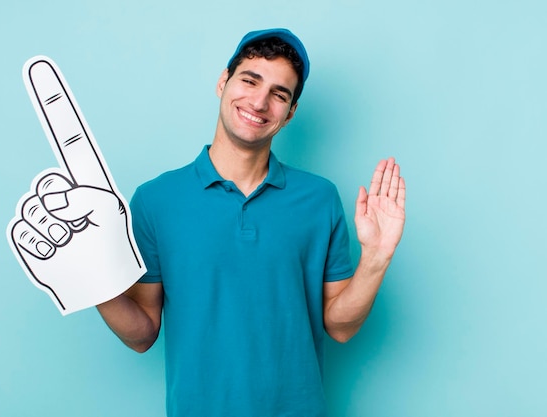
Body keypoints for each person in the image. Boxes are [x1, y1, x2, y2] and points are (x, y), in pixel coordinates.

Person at [96, 28, 406, 417]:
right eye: (250, 80)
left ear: (290, 113)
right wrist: (90, 278)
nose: (260, 102)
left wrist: (376, 257)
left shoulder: (319, 199)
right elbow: (142, 333)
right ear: (223, 82)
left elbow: (341, 326)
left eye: (279, 94)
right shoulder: (156, 199)